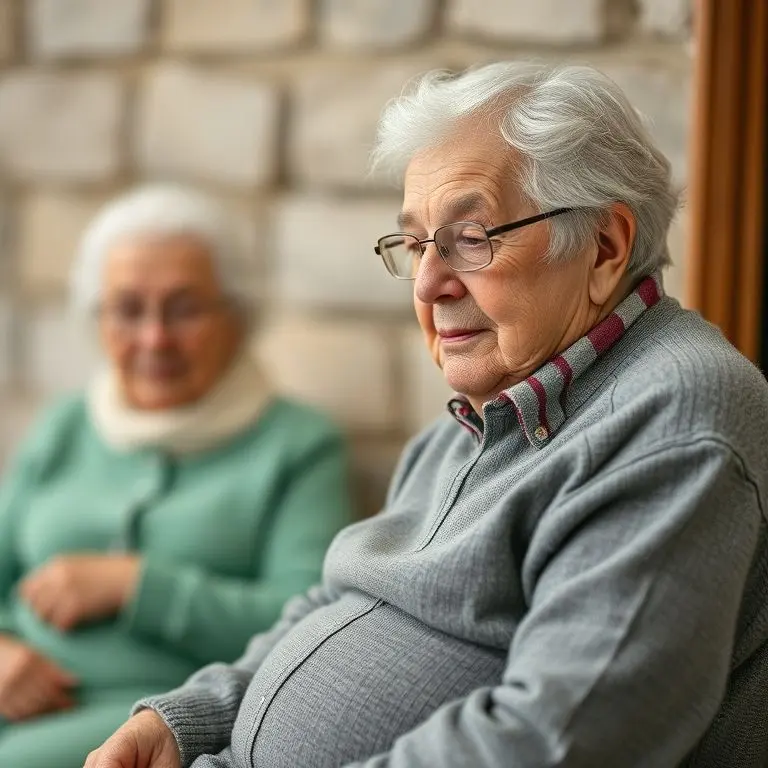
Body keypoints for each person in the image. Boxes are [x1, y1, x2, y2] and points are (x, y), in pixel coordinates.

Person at [85, 62, 768, 768]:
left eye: (471, 237)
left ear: (604, 247)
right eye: (415, 244)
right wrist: (185, 721)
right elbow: (335, 594)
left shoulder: (679, 416)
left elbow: (561, 739)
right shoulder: (480, 417)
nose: (429, 283)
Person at [0, 185, 354, 767]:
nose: (154, 338)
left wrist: (137, 585)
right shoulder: (64, 425)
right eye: (128, 309)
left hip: (154, 720)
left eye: (185, 308)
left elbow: (311, 622)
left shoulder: (296, 444)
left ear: (238, 317)